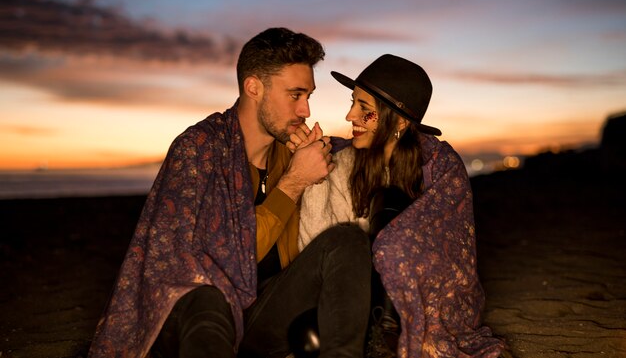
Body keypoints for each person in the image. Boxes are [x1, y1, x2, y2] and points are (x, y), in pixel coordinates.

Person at [87, 27, 372, 358]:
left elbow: (379, 148)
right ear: (254, 87)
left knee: (347, 240)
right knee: (207, 296)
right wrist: (294, 182)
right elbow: (217, 260)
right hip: (197, 319)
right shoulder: (200, 149)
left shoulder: (301, 149)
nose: (305, 111)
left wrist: (399, 124)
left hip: (261, 317)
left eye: (308, 96)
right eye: (295, 95)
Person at [294, 55, 506, 358]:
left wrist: (390, 246)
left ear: (400, 122)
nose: (349, 115)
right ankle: (375, 329)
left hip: (420, 296)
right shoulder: (341, 163)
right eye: (353, 102)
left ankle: (388, 330)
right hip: (357, 292)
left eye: (364, 109)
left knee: (391, 211)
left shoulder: (438, 169)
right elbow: (317, 249)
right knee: (308, 336)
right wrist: (314, 176)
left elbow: (449, 256)